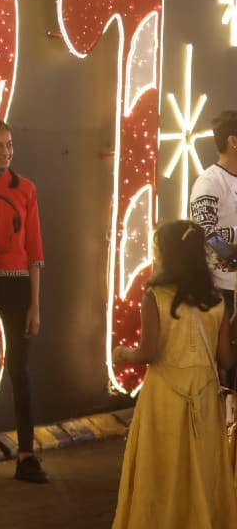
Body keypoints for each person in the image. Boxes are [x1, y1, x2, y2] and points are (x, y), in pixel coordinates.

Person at [112, 220, 237, 529]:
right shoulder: (217, 300)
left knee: (162, 471)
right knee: (202, 469)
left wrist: (121, 353)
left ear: (167, 255)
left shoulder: (155, 296)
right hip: (205, 398)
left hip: (164, 398)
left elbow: (148, 352)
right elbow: (225, 359)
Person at [0, 119, 48, 482]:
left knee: (19, 369)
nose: (5, 151)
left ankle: (27, 454)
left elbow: (34, 249)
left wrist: (35, 304)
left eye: (9, 144)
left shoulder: (25, 188)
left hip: (16, 284)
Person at [189, 111, 237, 342]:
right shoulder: (210, 181)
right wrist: (235, 259)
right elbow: (206, 233)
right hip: (223, 291)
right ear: (233, 141)